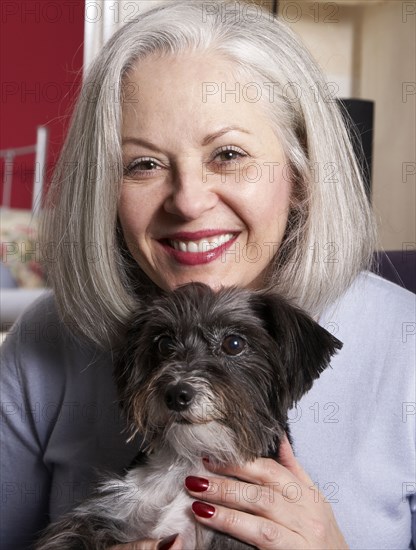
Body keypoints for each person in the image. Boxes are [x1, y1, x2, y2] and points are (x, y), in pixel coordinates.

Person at [1, 1, 414, 549]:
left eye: (228, 154)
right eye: (143, 164)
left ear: (302, 173)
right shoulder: (44, 339)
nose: (190, 202)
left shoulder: (406, 343)